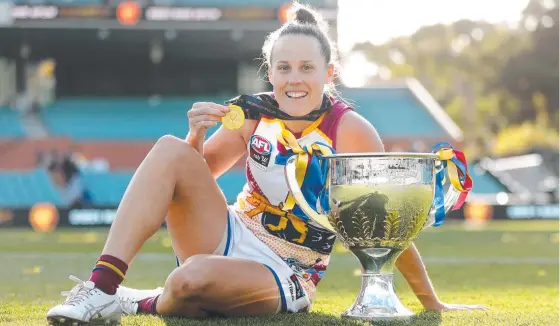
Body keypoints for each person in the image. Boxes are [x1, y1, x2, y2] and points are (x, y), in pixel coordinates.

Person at [46, 3, 488, 324]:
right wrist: (195, 137)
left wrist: (432, 304)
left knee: (190, 281)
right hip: (232, 231)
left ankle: (139, 301)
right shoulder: (254, 112)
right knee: (170, 147)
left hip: (289, 268)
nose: (295, 78)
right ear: (270, 72)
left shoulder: (351, 131)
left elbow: (384, 226)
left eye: (306, 68)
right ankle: (101, 288)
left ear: (328, 73)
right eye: (284, 68)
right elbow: (194, 176)